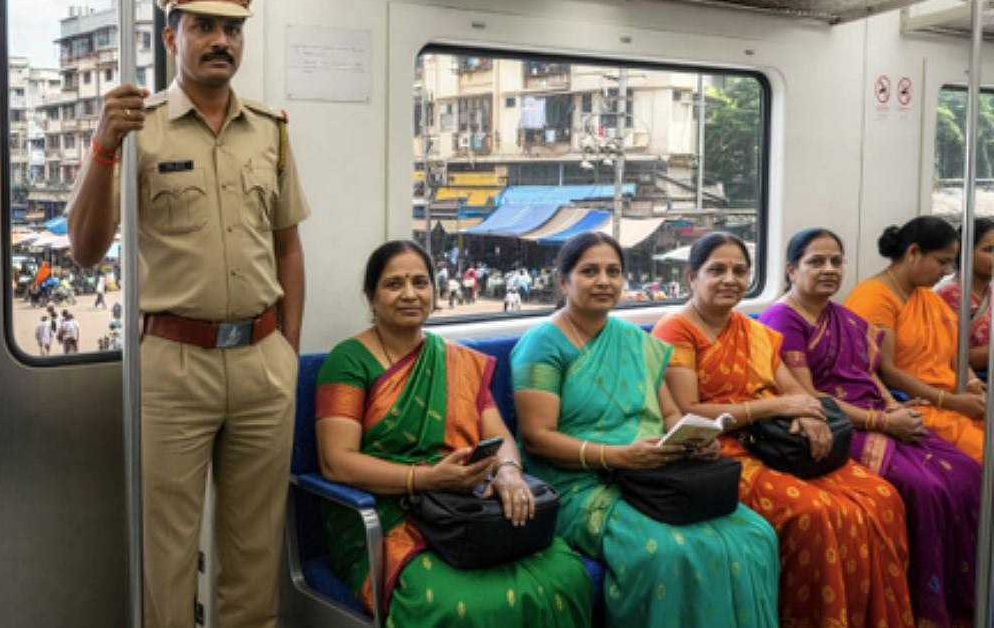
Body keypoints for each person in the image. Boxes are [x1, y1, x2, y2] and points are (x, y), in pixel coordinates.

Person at [65, 0, 309, 627]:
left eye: (232, 28)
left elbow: (288, 245)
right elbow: (84, 249)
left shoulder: (271, 129)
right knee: (167, 553)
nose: (220, 40)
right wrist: (103, 148)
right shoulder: (136, 125)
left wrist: (287, 352)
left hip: (262, 360)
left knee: (254, 552)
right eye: (203, 25)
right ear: (172, 37)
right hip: (173, 365)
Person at [316, 240, 592, 626]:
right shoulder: (347, 361)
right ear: (371, 296)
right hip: (385, 514)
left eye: (420, 282)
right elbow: (336, 461)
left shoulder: (457, 360)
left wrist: (509, 472)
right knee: (459, 603)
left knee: (565, 574)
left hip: (464, 506)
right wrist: (425, 478)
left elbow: (499, 438)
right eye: (394, 284)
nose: (410, 294)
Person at [511, 232, 778, 628]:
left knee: (756, 535)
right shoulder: (542, 345)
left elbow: (670, 415)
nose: (604, 280)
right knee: (668, 552)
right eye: (589, 271)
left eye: (613, 272)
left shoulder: (636, 342)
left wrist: (694, 442)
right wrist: (617, 455)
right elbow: (537, 437)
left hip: (655, 472)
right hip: (580, 482)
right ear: (563, 281)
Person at [652, 232, 914, 628]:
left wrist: (809, 415)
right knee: (814, 513)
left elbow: (794, 389)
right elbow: (690, 411)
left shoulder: (753, 330)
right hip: (722, 448)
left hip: (778, 440)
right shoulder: (676, 330)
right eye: (717, 270)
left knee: (881, 497)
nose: (731, 279)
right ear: (692, 277)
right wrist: (776, 406)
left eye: (740, 271)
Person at [760, 228, 979, 625]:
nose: (829, 269)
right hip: (842, 424)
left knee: (967, 471)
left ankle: (958, 598)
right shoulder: (782, 318)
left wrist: (896, 406)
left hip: (880, 413)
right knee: (924, 488)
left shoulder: (842, 317)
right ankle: (924, 605)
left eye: (836, 261)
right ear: (792, 270)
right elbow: (810, 397)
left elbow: (869, 373)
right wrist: (883, 421)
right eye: (816, 262)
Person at [844, 216, 986, 462]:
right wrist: (951, 402)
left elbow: (953, 352)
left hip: (951, 396)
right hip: (915, 403)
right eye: (942, 262)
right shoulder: (874, 298)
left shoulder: (928, 298)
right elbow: (886, 371)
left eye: (950, 264)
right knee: (983, 450)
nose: (946, 272)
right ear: (913, 252)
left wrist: (974, 385)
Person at [937, 216, 994, 370]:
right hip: (968, 383)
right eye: (989, 250)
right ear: (964, 252)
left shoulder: (991, 292)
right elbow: (947, 357)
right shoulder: (951, 295)